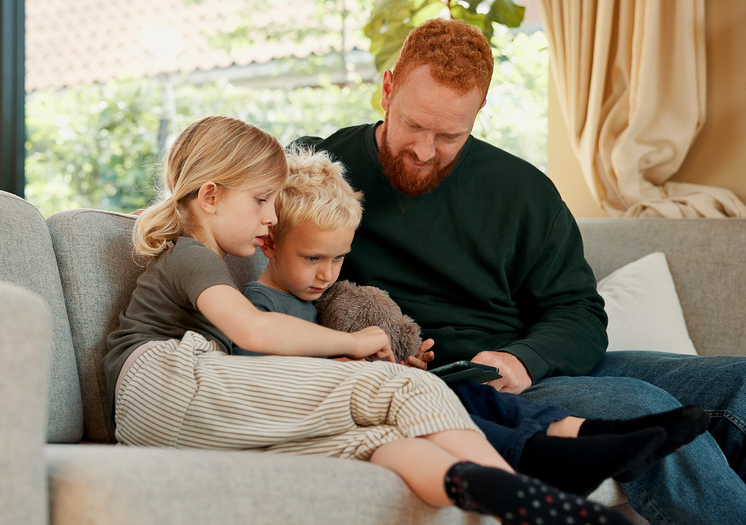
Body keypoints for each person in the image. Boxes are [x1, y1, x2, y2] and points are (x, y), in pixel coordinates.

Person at [294, 17, 746, 525]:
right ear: (387, 88)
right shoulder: (323, 171)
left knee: (740, 384)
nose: (425, 151)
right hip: (459, 384)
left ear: (479, 111)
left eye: (449, 135)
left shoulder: (523, 190)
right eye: (414, 125)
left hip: (529, 368)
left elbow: (577, 310)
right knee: (646, 413)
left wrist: (522, 359)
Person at [103, 115, 632, 524]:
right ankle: (531, 498)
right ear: (210, 196)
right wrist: (352, 344)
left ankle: (485, 492)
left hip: (171, 415)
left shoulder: (212, 255)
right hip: (163, 383)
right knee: (397, 388)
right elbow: (254, 330)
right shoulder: (191, 253)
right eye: (262, 200)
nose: (270, 218)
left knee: (379, 440)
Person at [236, 145, 706, 496]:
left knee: (462, 390)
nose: (327, 273)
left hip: (380, 392)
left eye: (340, 259)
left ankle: (580, 433)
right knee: (454, 399)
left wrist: (399, 366)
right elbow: (276, 377)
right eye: (313, 257)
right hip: (343, 413)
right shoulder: (260, 305)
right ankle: (547, 451)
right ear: (269, 243)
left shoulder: (322, 298)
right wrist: (359, 360)